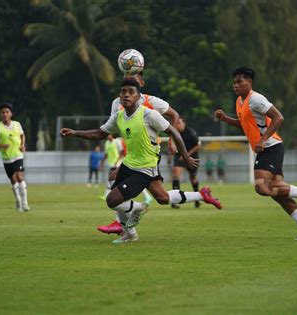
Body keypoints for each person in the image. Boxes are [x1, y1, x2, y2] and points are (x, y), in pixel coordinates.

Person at [61, 78, 221, 243]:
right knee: (163, 198)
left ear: (138, 96)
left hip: (145, 167)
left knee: (112, 200)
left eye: (131, 92)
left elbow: (174, 132)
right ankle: (201, 195)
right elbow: (98, 134)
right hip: (130, 164)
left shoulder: (149, 114)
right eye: (123, 92)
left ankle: (138, 210)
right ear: (119, 96)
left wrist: (186, 157)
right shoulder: (118, 117)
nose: (127, 95)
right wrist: (74, 132)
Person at [214, 66, 297, 241]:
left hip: (270, 147)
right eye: (234, 82)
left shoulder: (256, 99)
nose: (235, 85)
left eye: (239, 82)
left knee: (262, 187)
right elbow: (245, 125)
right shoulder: (240, 102)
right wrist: (226, 119)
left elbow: (279, 117)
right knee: (278, 194)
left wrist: (263, 139)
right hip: (267, 148)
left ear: (249, 82)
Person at [97, 72, 180, 234]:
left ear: (140, 85)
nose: (127, 92)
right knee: (162, 197)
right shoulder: (117, 105)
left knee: (120, 191)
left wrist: (172, 140)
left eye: (133, 85)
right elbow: (109, 128)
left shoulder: (151, 102)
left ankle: (126, 222)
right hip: (132, 157)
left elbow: (174, 115)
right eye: (124, 88)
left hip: (148, 156)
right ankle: (126, 227)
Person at [0, 102, 30, 212]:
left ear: (11, 114)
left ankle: (25, 202)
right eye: (3, 112)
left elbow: (22, 135)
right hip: (7, 158)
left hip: (18, 155)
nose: (5, 114)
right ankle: (18, 200)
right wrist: (1, 145)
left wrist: (22, 145)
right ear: (0, 114)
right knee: (13, 179)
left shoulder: (17, 124)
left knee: (20, 176)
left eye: (7, 112)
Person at [170, 117, 201, 208]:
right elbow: (172, 145)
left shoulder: (190, 132)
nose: (177, 125)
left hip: (192, 157)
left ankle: (197, 198)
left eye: (179, 123)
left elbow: (198, 146)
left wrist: (187, 156)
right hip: (180, 156)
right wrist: (171, 155)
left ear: (184, 123)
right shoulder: (174, 133)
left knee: (193, 177)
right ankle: (175, 201)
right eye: (176, 123)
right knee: (176, 174)